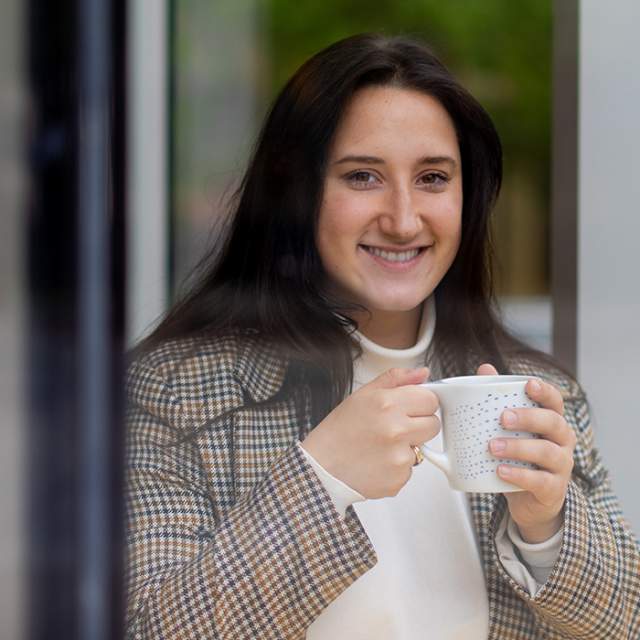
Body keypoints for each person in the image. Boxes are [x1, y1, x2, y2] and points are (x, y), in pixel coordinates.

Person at [124, 33, 639, 639]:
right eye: (363, 176)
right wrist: (322, 477)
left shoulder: (535, 393)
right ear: (297, 194)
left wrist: (548, 525)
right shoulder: (173, 392)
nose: (402, 219)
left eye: (433, 178)